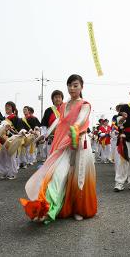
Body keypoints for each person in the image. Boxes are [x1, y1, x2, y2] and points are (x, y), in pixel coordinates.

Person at [20, 74, 97, 223]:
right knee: (57, 176)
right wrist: (45, 134)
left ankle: (79, 209)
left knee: (79, 178)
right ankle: (48, 209)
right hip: (64, 144)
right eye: (70, 85)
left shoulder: (85, 104)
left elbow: (81, 119)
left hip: (80, 143)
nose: (72, 88)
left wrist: (75, 127)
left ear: (82, 87)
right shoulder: (64, 105)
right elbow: (58, 121)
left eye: (75, 85)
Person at [0, 101, 23, 180]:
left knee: (11, 157)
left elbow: (19, 130)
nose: (7, 107)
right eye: (6, 106)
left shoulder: (16, 118)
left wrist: (11, 129)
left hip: (12, 139)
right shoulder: (2, 118)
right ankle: (4, 172)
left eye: (9, 106)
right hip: (2, 139)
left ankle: (12, 173)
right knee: (1, 157)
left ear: (13, 108)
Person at [40, 90, 64, 158]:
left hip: (62, 137)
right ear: (52, 99)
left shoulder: (65, 109)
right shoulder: (48, 110)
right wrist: (44, 135)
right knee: (51, 156)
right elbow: (44, 124)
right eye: (55, 97)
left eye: (59, 97)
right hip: (51, 137)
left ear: (62, 99)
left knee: (61, 156)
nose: (58, 99)